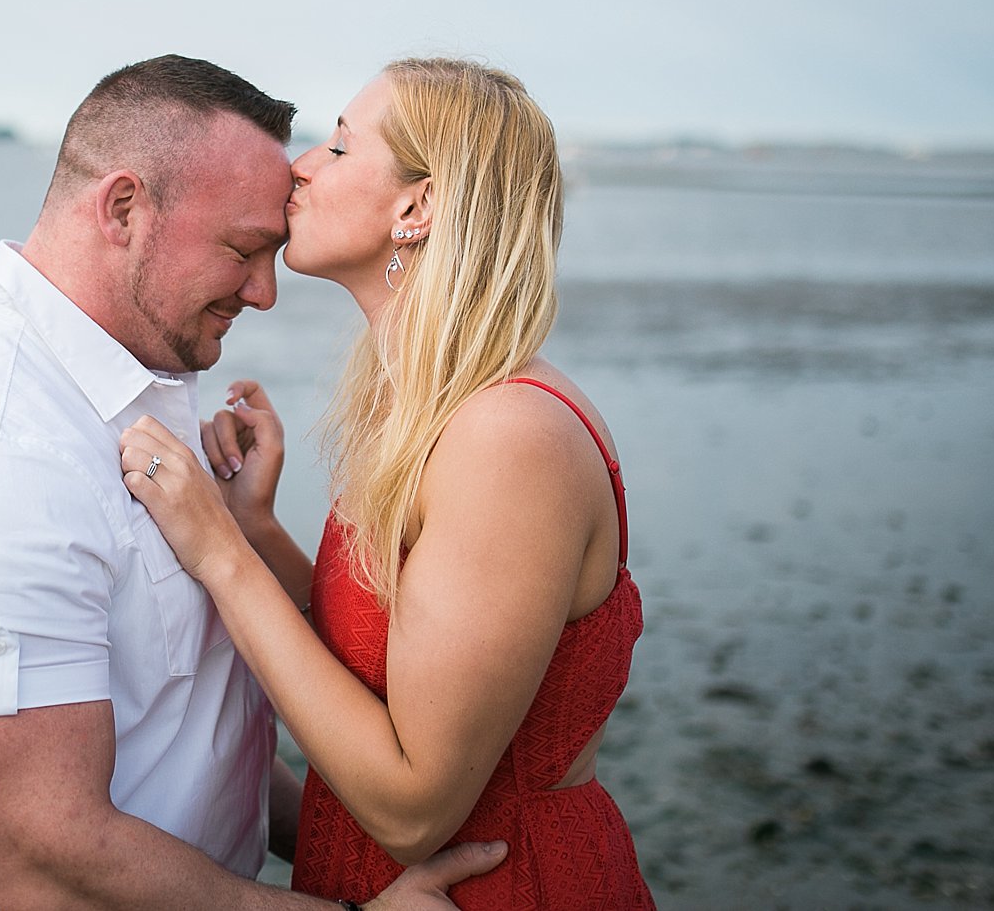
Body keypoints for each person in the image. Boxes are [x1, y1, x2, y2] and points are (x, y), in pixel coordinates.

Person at [0, 54, 506, 911]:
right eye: (243, 250)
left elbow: (198, 737)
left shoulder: (136, 390)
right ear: (122, 208)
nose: (265, 291)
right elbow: (49, 868)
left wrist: (352, 849)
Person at [118, 57, 657, 909]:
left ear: (417, 206)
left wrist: (218, 551)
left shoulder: (506, 439)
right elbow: (388, 667)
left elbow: (413, 806)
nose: (298, 164)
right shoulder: (427, 405)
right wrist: (256, 527)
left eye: (336, 146)